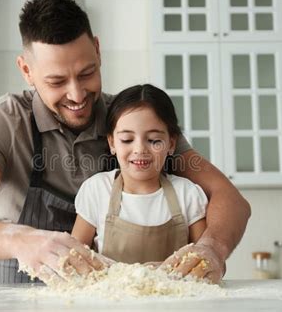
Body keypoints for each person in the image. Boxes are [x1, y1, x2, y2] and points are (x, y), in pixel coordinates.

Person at [0, 0, 250, 284]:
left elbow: (229, 198)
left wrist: (212, 248)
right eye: (57, 81)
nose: (77, 95)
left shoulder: (130, 124)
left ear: (97, 50)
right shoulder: (3, 122)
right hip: (21, 300)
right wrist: (20, 240)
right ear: (26, 70)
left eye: (86, 73)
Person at [72, 84, 208, 265]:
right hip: (112, 293)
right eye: (127, 140)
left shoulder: (187, 194)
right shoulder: (97, 190)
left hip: (175, 293)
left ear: (171, 144)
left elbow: (205, 261)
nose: (139, 149)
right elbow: (75, 258)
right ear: (112, 143)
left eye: (153, 140)